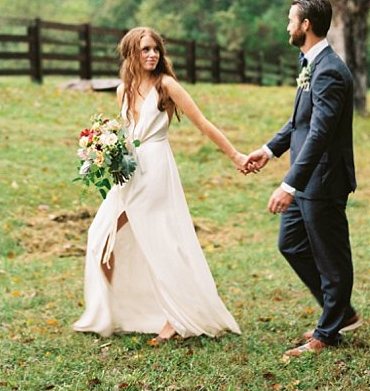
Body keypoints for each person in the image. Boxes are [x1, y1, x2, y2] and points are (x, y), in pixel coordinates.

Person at [73, 26, 244, 342]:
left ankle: (175, 317)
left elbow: (202, 122)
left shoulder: (167, 85)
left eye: (155, 49)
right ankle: (116, 310)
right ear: (131, 54)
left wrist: (235, 155)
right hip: (129, 172)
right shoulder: (123, 90)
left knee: (158, 240)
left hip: (156, 169)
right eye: (145, 50)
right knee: (100, 235)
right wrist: (105, 152)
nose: (152, 55)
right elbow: (127, 134)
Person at [243, 0, 361, 355]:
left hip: (323, 180)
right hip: (306, 179)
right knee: (291, 243)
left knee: (331, 258)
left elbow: (320, 134)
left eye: (291, 20)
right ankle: (341, 313)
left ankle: (327, 332)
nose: (287, 26)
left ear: (305, 25)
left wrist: (289, 184)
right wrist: (269, 150)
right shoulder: (312, 63)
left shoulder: (329, 72)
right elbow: (301, 121)